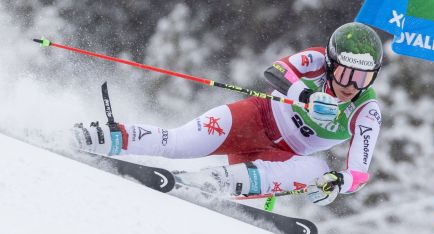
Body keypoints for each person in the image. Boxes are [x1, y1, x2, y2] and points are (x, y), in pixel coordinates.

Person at [73, 22, 383, 206]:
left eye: (364, 78)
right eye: (345, 74)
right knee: (181, 143)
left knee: (316, 169)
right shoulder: (315, 59)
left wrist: (337, 182)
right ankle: (109, 136)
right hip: (254, 118)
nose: (352, 86)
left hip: (281, 158)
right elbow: (275, 71)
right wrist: (306, 95)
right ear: (330, 65)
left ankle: (216, 181)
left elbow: (359, 171)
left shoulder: (366, 111)